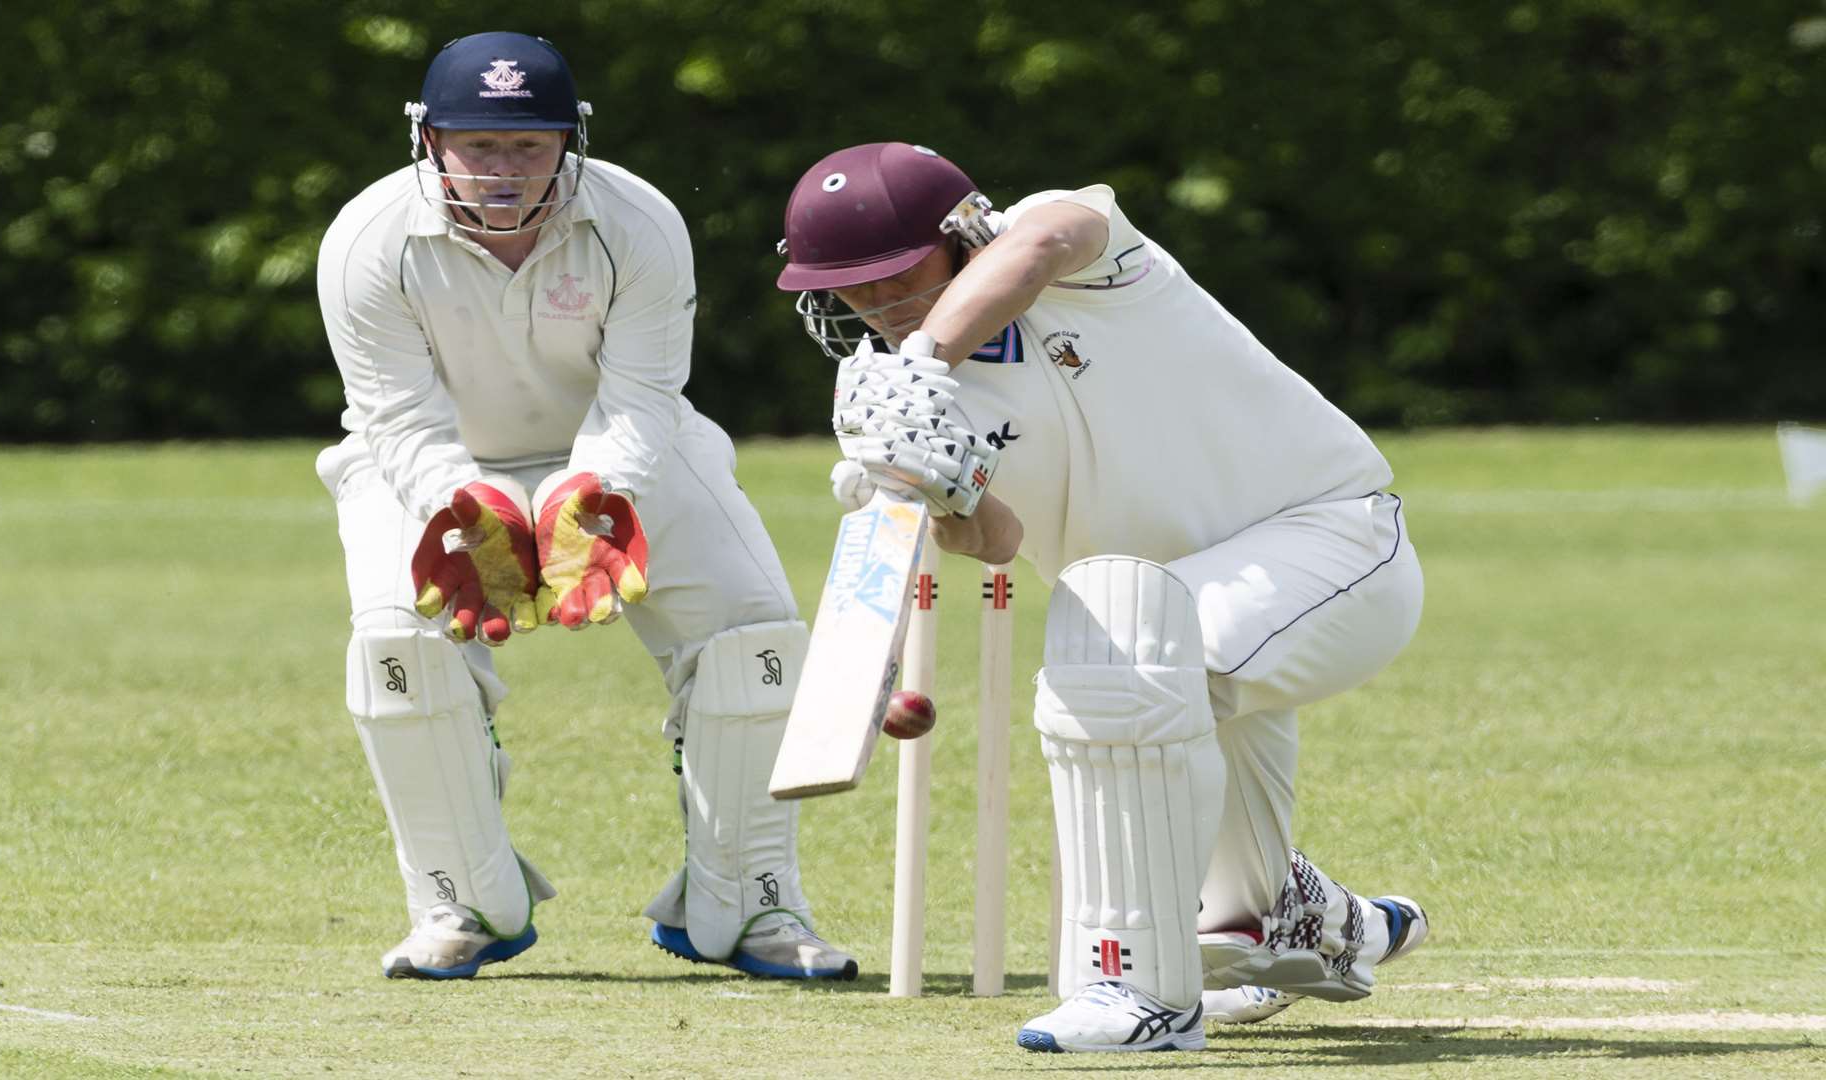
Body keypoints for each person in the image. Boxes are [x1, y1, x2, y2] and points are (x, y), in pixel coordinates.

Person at [775, 142, 1428, 1051]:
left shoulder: (1077, 252)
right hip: (1169, 614)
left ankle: (1135, 992)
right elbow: (997, 542)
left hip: (1332, 541)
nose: (875, 309)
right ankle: (1303, 916)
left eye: (894, 276)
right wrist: (944, 492)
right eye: (847, 292)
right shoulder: (919, 403)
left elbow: (1042, 244)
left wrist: (921, 355)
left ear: (962, 235)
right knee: (1231, 898)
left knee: (1109, 659)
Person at [313, 31, 855, 982]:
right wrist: (465, 502)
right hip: (431, 465)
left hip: (624, 452)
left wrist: (587, 495)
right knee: (400, 649)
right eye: (477, 145)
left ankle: (752, 905)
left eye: (528, 146)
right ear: (428, 138)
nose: (501, 170)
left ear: (572, 139)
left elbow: (643, 395)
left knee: (756, 639)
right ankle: (461, 903)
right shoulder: (367, 240)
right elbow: (394, 413)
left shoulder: (636, 221)